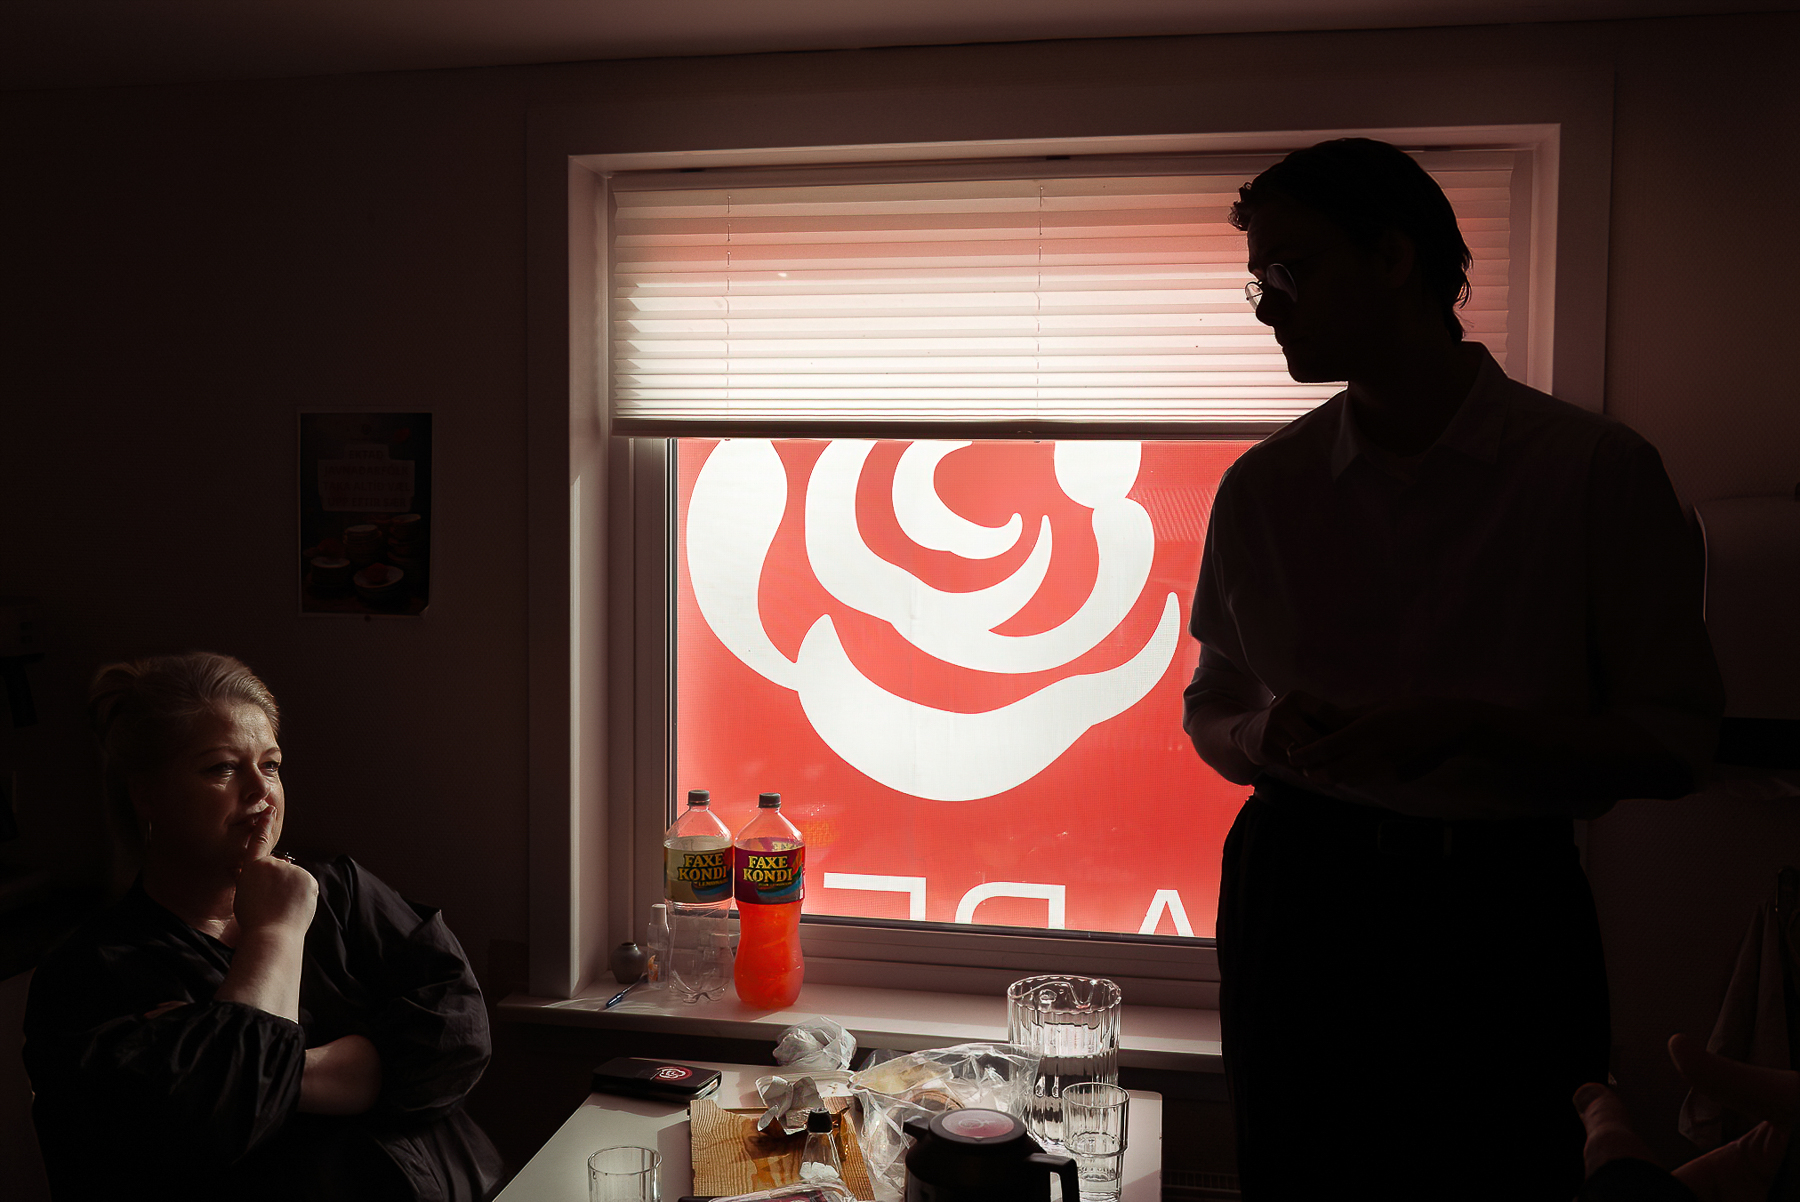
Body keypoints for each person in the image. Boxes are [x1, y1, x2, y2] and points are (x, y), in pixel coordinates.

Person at [1182, 139, 1723, 1200]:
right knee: (1296, 1178)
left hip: (1499, 912)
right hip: (1298, 894)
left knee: (1512, 1174)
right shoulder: (1263, 488)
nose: (1265, 307)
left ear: (1395, 258)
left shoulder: (1595, 474)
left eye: (1290, 270)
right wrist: (1261, 733)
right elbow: (1214, 704)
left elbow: (1679, 742)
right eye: (1258, 281)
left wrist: (1472, 730)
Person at [23, 652, 503, 1201]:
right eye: (222, 768)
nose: (261, 791)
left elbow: (460, 1035)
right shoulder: (91, 975)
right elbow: (225, 1116)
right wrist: (275, 934)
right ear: (146, 794)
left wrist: (282, 1075)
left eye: (270, 765)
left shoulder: (339, 890)